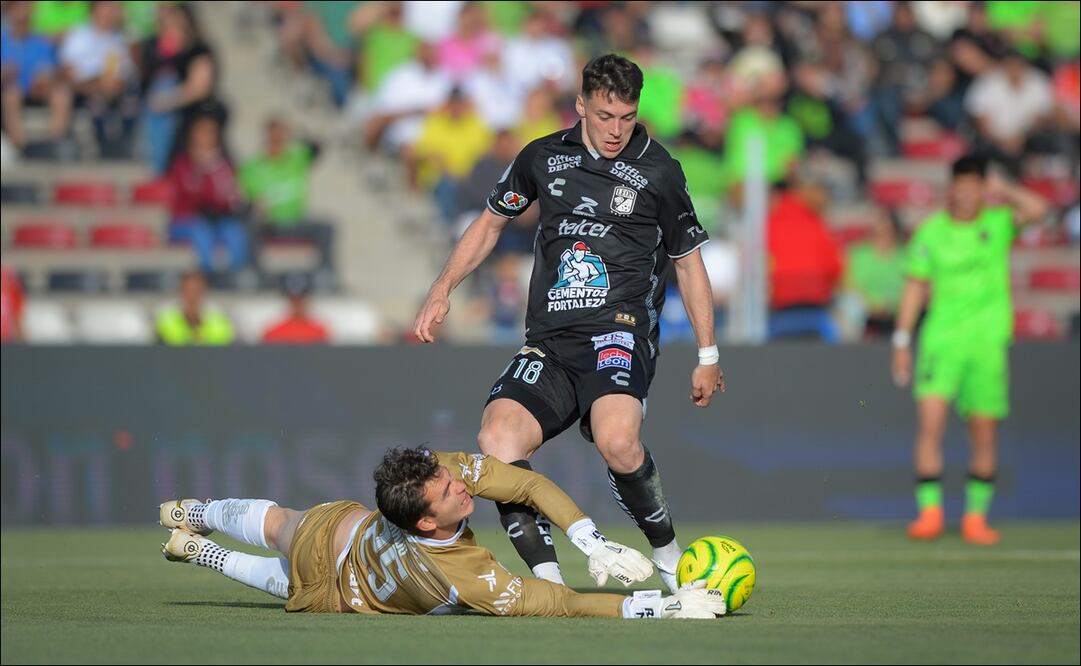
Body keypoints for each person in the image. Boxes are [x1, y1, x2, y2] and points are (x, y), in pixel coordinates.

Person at [413, 54, 723, 592]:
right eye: (604, 116)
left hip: (619, 330)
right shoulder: (542, 156)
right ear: (580, 105)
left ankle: (669, 557)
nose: (616, 130)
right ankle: (549, 581)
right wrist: (442, 288)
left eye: (627, 117)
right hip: (551, 341)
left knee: (618, 441)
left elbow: (688, 262)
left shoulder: (659, 170)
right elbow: (490, 224)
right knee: (497, 439)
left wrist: (708, 354)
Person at [159, 447, 725, 619]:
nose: (461, 486)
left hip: (338, 543)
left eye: (451, 477)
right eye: (449, 492)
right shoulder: (464, 576)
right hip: (339, 578)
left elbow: (528, 485)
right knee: (285, 563)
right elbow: (564, 602)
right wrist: (661, 608)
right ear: (426, 521)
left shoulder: (441, 475)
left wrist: (590, 541)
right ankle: (199, 534)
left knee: (281, 525)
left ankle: (197, 528)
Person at [891, 155, 1048, 545]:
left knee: (983, 431)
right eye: (961, 186)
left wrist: (1003, 187)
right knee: (931, 425)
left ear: (983, 188)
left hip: (987, 343)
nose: (966, 194)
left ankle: (976, 517)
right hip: (941, 341)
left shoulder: (998, 224)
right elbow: (914, 286)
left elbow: (1040, 209)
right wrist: (901, 339)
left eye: (975, 186)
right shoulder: (931, 232)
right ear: (951, 188)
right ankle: (929, 513)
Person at [155, 270, 234, 346]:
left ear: (204, 291)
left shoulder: (217, 314)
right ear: (180, 291)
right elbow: (172, 339)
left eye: (196, 290)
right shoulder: (167, 314)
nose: (192, 295)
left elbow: (220, 339)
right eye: (188, 290)